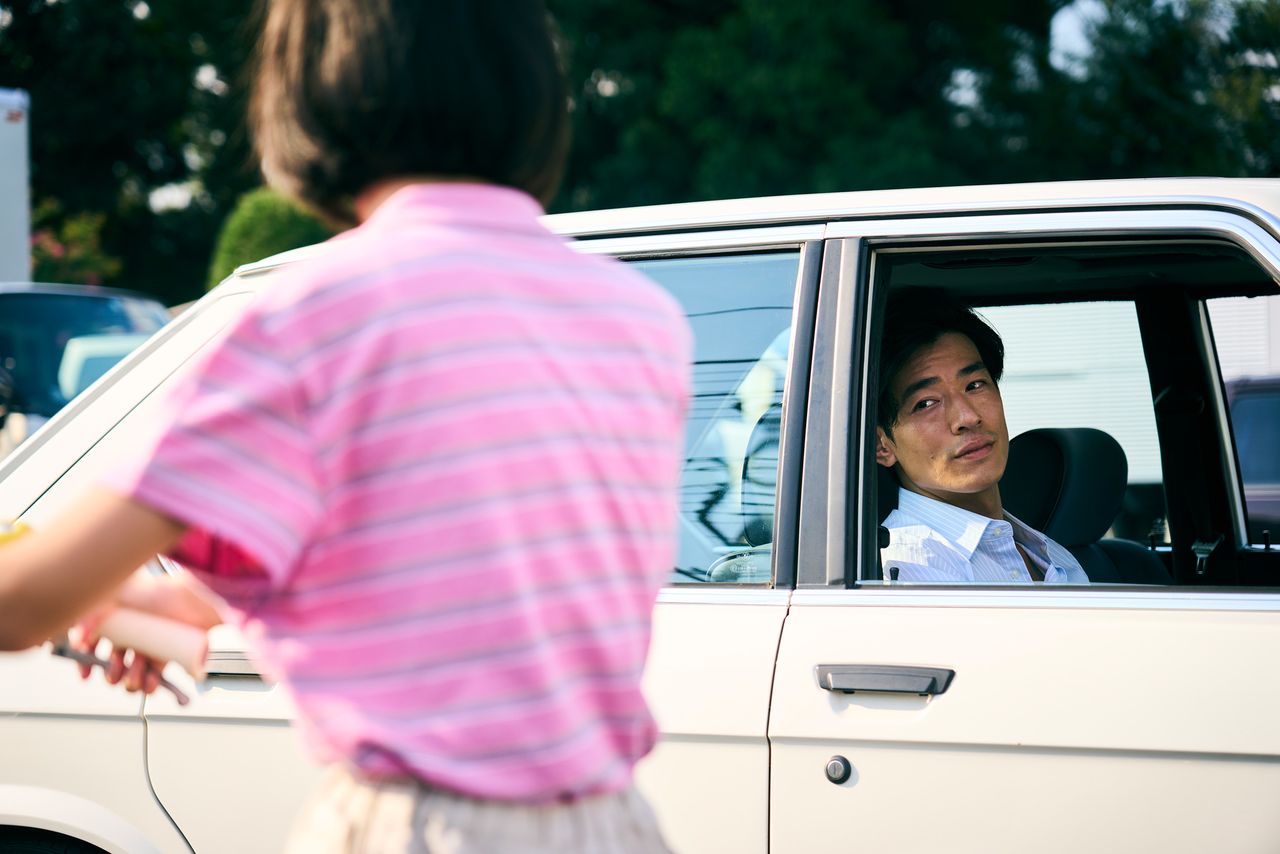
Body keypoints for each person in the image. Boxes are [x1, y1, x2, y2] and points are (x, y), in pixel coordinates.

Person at [0, 1, 690, 851]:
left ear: (314, 94)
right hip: (615, 824)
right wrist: (159, 603)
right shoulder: (641, 317)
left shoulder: (314, 315)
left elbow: (19, 605)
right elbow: (466, 556)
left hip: (422, 827)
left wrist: (76, 588)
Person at [875, 291, 1088, 584]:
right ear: (882, 445)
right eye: (926, 403)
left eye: (975, 385)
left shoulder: (1049, 553)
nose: (967, 417)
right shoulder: (910, 567)